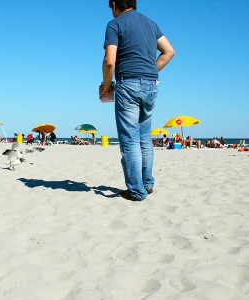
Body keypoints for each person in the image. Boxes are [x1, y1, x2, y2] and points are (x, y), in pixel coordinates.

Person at [99, 0, 175, 201]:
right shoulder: (150, 23)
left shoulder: (115, 24)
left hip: (128, 83)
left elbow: (109, 61)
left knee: (130, 139)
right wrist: (150, 71)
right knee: (144, 136)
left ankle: (136, 190)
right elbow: (169, 51)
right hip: (151, 84)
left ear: (115, 4)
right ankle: (147, 183)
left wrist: (106, 86)